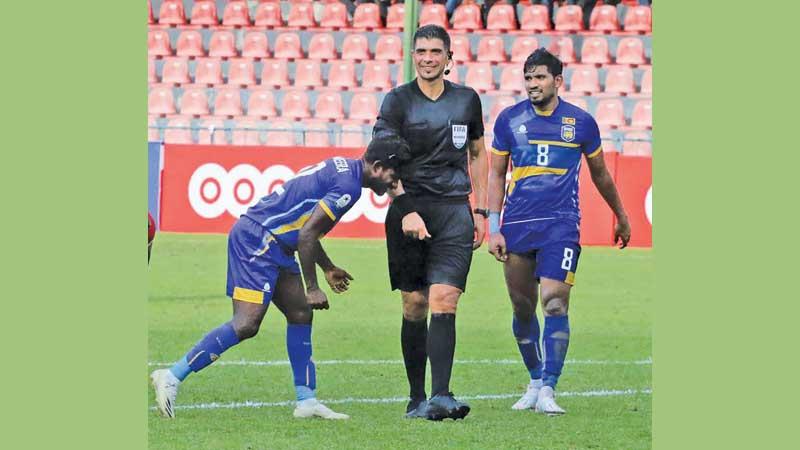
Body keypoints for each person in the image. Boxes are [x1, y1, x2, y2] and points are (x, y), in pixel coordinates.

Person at [150, 136, 408, 419]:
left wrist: (327, 267)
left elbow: (304, 227)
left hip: (275, 241)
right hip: (257, 240)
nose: (393, 184)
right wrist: (313, 287)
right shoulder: (349, 188)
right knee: (247, 323)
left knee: (300, 313)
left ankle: (306, 401)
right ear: (379, 167)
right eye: (394, 176)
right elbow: (308, 234)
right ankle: (172, 376)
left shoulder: (344, 169)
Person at [487, 48, 631, 415]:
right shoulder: (509, 120)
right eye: (529, 78)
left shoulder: (581, 123)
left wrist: (620, 214)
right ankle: (535, 379)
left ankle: (550, 386)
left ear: (557, 80)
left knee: (553, 299)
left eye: (539, 78)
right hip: (517, 224)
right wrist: (492, 226)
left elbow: (600, 174)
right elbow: (495, 175)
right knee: (522, 307)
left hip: (561, 224)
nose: (533, 84)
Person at [372, 24, 488, 421]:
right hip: (408, 208)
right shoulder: (397, 102)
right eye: (420, 51)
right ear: (412, 56)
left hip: (454, 209)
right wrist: (407, 209)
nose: (427, 58)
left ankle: (441, 395)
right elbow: (382, 162)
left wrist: (482, 210)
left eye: (435, 52)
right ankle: (416, 397)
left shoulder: (467, 100)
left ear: (448, 57)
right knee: (415, 304)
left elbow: (477, 152)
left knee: (445, 298)